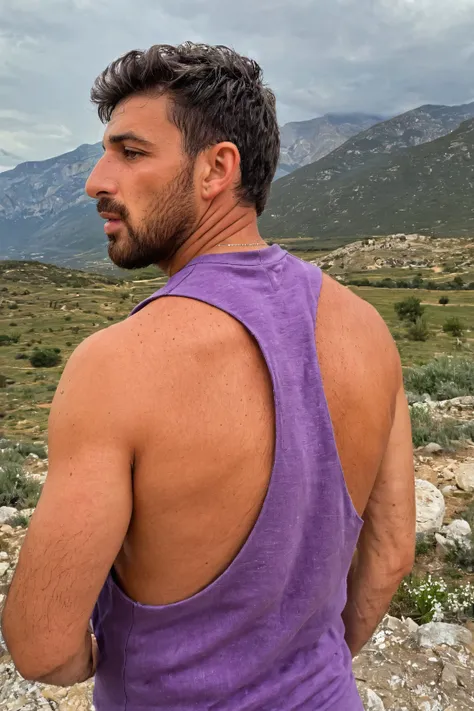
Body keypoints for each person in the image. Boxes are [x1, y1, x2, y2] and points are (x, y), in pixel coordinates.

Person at [2, 43, 415, 710]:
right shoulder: (367, 328)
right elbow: (392, 552)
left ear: (216, 168)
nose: (96, 180)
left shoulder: (118, 364)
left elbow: (43, 645)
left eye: (131, 152)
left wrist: (107, 656)